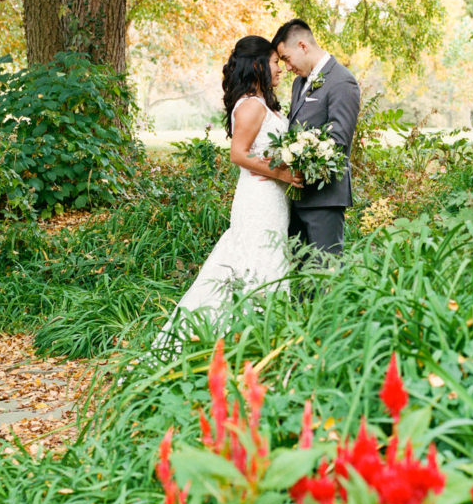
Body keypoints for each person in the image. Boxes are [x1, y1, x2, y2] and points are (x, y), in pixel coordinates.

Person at [153, 36, 299, 348]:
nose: (281, 70)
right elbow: (239, 154)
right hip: (257, 199)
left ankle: (258, 335)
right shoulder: (250, 105)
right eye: (275, 63)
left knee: (268, 258)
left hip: (271, 198)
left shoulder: (262, 104)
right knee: (255, 257)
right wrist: (283, 173)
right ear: (258, 65)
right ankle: (241, 335)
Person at [272, 19, 361, 257]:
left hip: (325, 197)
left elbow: (338, 140)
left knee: (326, 272)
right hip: (297, 197)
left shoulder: (342, 81)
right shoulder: (299, 83)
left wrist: (302, 163)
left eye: (287, 58)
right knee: (301, 276)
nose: (287, 67)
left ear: (302, 46)